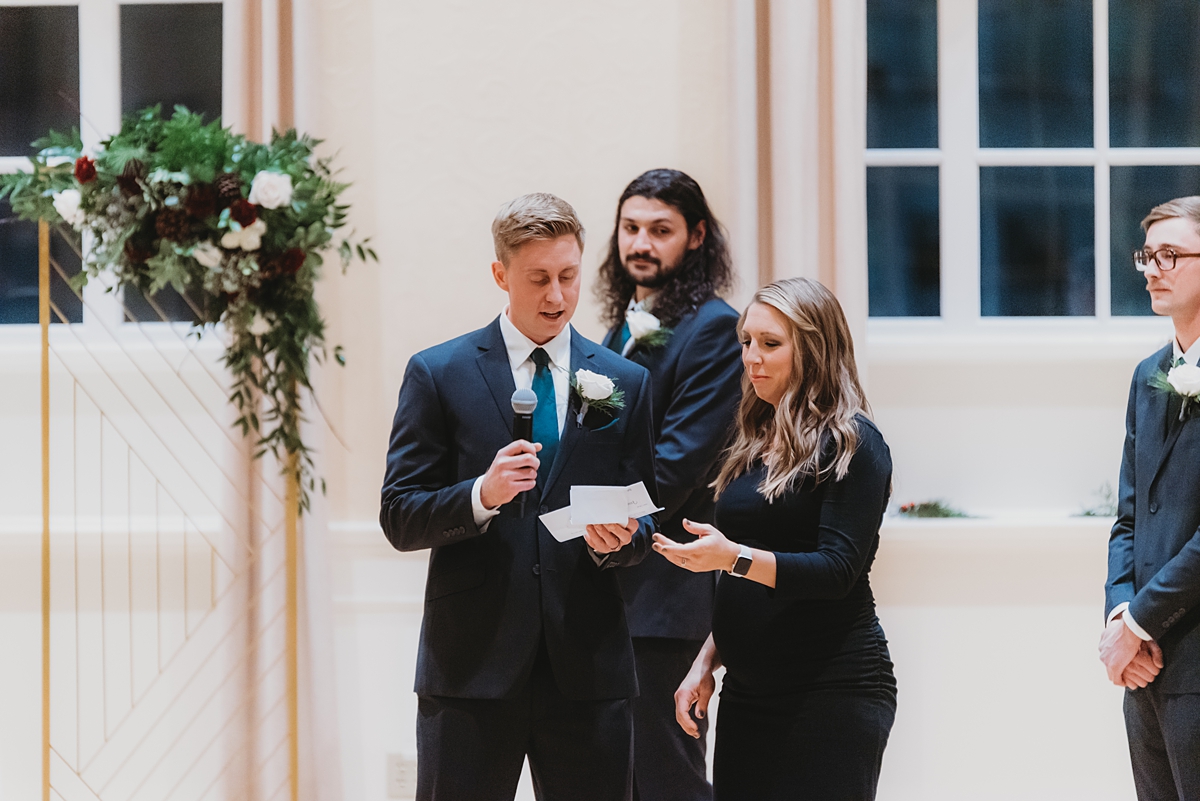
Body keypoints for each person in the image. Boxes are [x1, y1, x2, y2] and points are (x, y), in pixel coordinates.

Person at [379, 193, 659, 801]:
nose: (557, 297)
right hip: (471, 668)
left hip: (588, 668)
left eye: (567, 276)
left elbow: (643, 520)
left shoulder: (626, 382)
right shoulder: (439, 372)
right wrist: (481, 493)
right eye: (538, 279)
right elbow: (399, 516)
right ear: (501, 275)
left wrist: (621, 540)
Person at [653, 277, 897, 800]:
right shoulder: (754, 440)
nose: (751, 358)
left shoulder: (854, 442)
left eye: (770, 344)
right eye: (746, 342)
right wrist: (704, 663)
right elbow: (750, 588)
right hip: (748, 693)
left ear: (813, 348)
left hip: (831, 688)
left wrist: (731, 557)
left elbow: (835, 571)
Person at [595, 168, 742, 800]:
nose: (641, 245)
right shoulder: (625, 325)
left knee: (666, 779)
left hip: (663, 592)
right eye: (631, 228)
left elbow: (675, 467)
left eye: (660, 230)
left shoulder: (712, 328)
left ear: (697, 237)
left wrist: (583, 513)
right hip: (610, 588)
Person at [1102, 196, 1200, 800]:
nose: (1152, 269)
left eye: (1171, 254)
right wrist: (1119, 619)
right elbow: (1129, 517)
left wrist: (1140, 620)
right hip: (1148, 665)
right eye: (1147, 255)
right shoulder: (1148, 374)